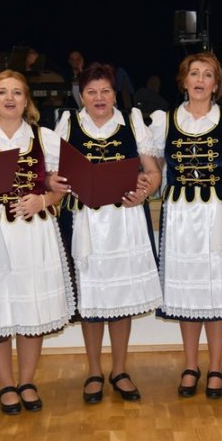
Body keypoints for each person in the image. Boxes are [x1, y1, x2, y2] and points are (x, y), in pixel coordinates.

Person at [150, 52, 222, 399]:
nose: (200, 80)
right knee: (187, 290)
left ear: (217, 85)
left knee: (217, 290)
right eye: (194, 73)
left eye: (208, 74)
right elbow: (151, 171)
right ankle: (190, 365)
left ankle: (215, 366)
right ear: (183, 81)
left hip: (218, 214)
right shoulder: (164, 121)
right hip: (181, 215)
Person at [49, 63, 163, 404]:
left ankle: (120, 370)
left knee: (121, 298)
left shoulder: (132, 122)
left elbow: (152, 171)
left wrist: (144, 191)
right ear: (81, 95)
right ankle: (94, 371)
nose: (99, 98)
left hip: (123, 219)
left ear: (115, 93)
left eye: (105, 91)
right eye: (91, 92)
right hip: (83, 221)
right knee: (91, 297)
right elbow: (52, 174)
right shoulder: (68, 124)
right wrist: (55, 182)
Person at [0, 70, 75, 414]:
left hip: (34, 232)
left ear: (27, 101)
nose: (9, 98)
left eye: (16, 92)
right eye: (2, 92)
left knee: (31, 309)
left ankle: (27, 381)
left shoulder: (45, 138)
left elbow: (61, 187)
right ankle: (5, 384)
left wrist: (43, 200)